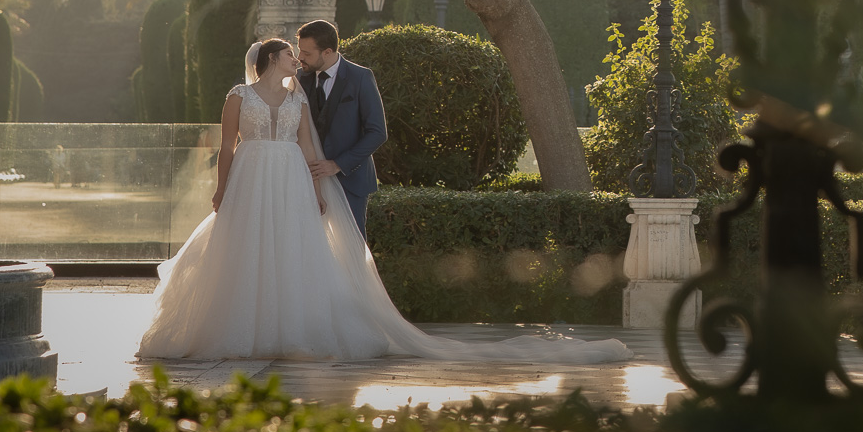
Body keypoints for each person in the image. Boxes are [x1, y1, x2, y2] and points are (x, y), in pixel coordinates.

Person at [137, 38, 629, 364]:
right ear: (269, 60)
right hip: (249, 176)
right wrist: (221, 187)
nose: (296, 59)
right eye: (289, 54)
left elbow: (310, 148)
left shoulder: (297, 99)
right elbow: (227, 146)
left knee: (291, 247)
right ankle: (241, 327)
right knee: (243, 248)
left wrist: (316, 189)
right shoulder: (237, 96)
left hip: (289, 176)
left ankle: (289, 330)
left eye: (298, 53)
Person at [293, 19, 383, 238]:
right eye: (299, 51)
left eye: (306, 53)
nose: (299, 58)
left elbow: (378, 132)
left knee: (351, 250)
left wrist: (338, 164)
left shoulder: (360, 77)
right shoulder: (298, 79)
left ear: (327, 51)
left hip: (350, 181)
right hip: (308, 180)